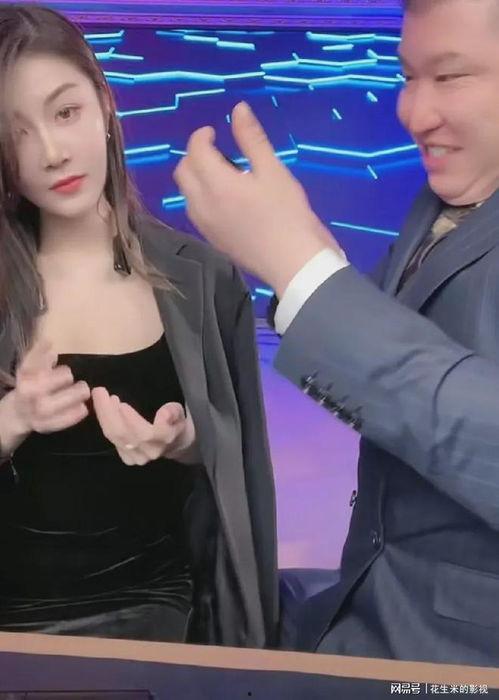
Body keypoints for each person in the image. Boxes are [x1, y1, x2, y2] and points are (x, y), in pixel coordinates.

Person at [174, 0, 499, 666]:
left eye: (449, 77)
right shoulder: (442, 199)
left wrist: (300, 268)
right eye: (408, 76)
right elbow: (401, 344)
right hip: (370, 615)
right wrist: (304, 262)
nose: (412, 113)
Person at [0, 4, 278, 648]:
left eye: (65, 112)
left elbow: (240, 472)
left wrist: (182, 439)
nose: (51, 153)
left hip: (153, 608)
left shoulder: (203, 279)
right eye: (16, 134)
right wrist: (14, 417)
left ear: (105, 105)